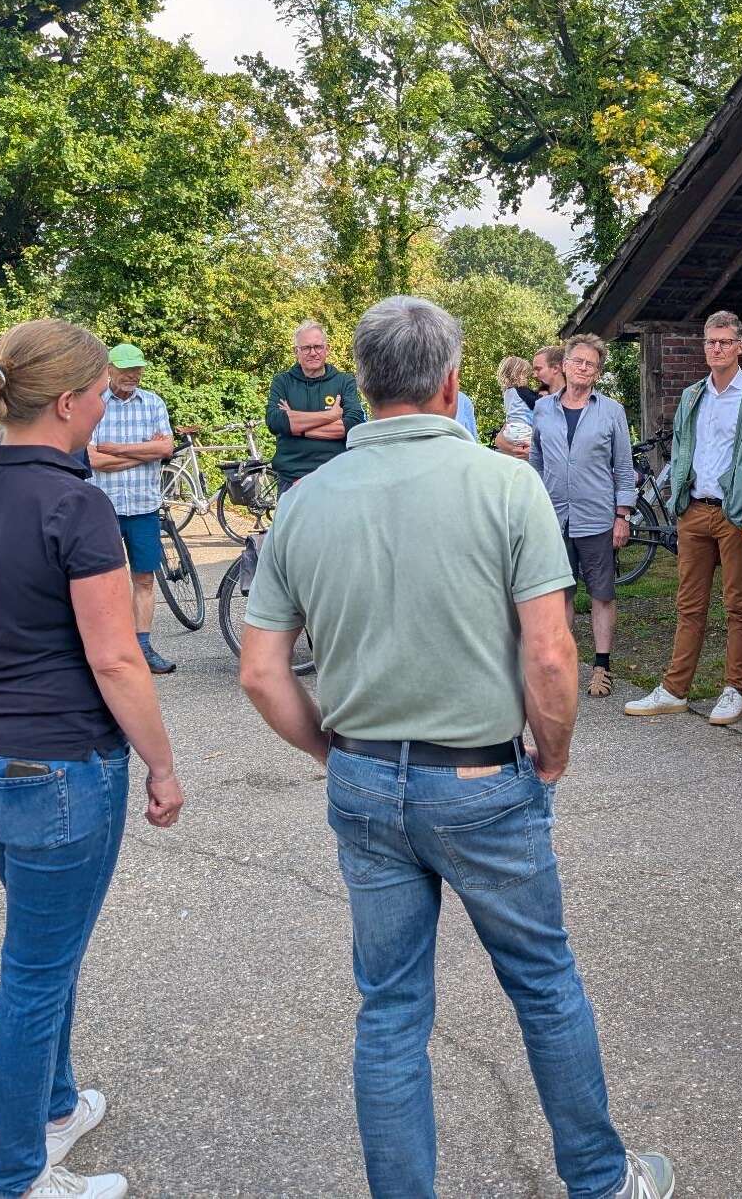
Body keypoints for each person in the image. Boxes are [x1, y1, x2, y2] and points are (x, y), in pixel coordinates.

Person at [236, 296, 673, 1199]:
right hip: (479, 775)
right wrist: (553, 753)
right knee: (543, 985)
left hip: (363, 774)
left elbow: (260, 672)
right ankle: (600, 1181)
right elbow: (550, 654)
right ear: (450, 382)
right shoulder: (506, 487)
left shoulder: (305, 504)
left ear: (362, 384)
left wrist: (330, 752)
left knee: (390, 1012)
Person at [0, 320, 185, 1199]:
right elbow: (117, 660)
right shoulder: (78, 506)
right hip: (58, 771)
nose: (107, 408)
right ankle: (19, 1175)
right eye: (102, 395)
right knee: (35, 978)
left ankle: (57, 1106)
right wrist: (162, 765)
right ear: (71, 402)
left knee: (49, 948)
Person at [625, 310, 742, 726]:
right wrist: (678, 499)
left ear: (739, 347)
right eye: (710, 342)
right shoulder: (693, 396)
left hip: (736, 517)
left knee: (738, 605)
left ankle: (735, 690)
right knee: (689, 605)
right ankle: (674, 690)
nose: (716, 348)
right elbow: (682, 449)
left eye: (724, 342)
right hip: (694, 512)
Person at [530, 334, 636, 697]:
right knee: (560, 594)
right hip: (554, 517)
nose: (583, 368)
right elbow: (536, 460)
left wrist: (622, 515)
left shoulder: (611, 411)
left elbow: (624, 467)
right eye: (577, 361)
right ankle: (563, 667)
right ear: (564, 365)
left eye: (590, 364)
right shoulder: (543, 409)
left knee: (601, 593)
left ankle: (601, 667)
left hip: (596, 517)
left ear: (598, 372)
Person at [85, 344, 177, 675]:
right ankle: (110, 649)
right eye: (125, 368)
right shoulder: (94, 404)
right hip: (103, 508)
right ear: (109, 369)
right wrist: (144, 452)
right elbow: (92, 459)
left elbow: (166, 448)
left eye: (136, 368)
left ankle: (143, 647)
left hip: (143, 506)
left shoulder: (153, 403)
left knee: (144, 578)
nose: (132, 375)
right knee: (104, 582)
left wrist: (116, 449)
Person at [265, 321, 365, 494]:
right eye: (306, 348)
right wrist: (331, 416)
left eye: (318, 347)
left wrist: (295, 424)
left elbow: (353, 424)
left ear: (327, 349)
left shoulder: (344, 381)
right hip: (291, 479)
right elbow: (275, 422)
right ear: (296, 351)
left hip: (336, 477)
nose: (313, 353)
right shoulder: (282, 382)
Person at [495, 346, 566, 459]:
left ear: (555, 369)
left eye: (538, 369)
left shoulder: (568, 402)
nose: (533, 375)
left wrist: (533, 453)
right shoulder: (525, 392)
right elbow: (499, 441)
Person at [498, 355, 539, 446]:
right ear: (517, 375)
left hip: (510, 430)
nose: (527, 378)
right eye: (525, 375)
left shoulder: (507, 392)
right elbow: (536, 402)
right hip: (522, 429)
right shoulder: (521, 391)